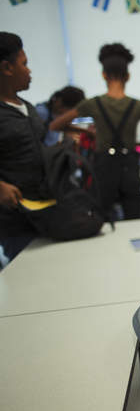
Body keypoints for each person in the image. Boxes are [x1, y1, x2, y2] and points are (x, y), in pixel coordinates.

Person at [50, 43, 140, 220]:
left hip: (103, 168)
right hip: (129, 166)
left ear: (103, 75)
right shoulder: (138, 106)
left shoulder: (93, 104)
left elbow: (55, 126)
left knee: (102, 218)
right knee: (133, 218)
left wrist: (87, 132)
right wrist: (138, 144)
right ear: (128, 76)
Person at [0, 32, 49, 262]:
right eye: (24, 64)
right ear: (7, 68)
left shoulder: (29, 109)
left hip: (48, 212)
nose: (29, 70)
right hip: (16, 223)